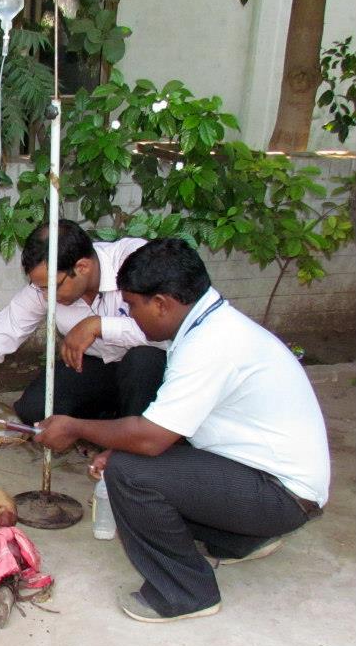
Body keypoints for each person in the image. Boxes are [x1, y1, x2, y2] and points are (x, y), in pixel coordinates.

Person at [35, 238, 330, 622]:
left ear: (161, 303)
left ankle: (186, 592)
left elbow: (150, 437)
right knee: (132, 462)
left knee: (131, 475)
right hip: (267, 479)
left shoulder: (211, 344)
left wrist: (75, 427)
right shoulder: (208, 327)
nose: (130, 316)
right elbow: (172, 427)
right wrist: (122, 446)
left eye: (132, 307)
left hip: (280, 494)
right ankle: (239, 539)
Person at [0, 220, 167, 458]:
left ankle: (134, 447)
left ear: (82, 267)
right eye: (41, 289)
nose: (47, 297)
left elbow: (173, 331)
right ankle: (107, 425)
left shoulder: (135, 261)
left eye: (53, 287)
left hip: (150, 367)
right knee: (34, 410)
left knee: (143, 361)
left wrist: (100, 326)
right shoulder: (45, 288)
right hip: (97, 367)